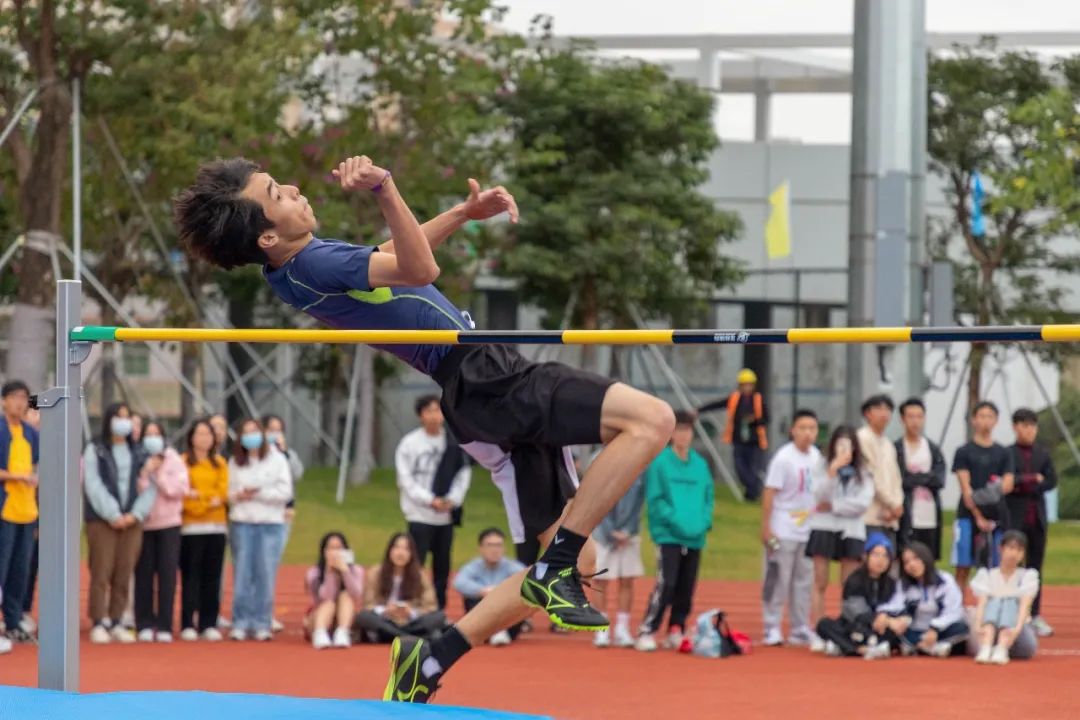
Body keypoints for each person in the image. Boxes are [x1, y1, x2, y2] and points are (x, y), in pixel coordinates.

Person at [175, 156, 675, 703]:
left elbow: (393, 256)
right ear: (268, 234)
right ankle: (554, 571)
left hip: (472, 392)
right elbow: (419, 271)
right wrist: (385, 187)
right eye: (277, 192)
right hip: (487, 377)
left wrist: (461, 213)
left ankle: (431, 657)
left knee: (575, 558)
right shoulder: (312, 264)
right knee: (652, 420)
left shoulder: (295, 269)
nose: (294, 188)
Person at [636, 411, 714, 653]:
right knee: (666, 583)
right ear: (670, 434)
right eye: (679, 430)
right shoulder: (660, 463)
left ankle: (676, 628)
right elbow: (656, 500)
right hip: (669, 535)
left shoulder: (700, 465)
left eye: (688, 430)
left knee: (686, 586)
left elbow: (708, 498)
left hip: (695, 536)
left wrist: (703, 522)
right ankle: (648, 629)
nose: (683, 435)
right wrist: (677, 521)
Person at [83, 403, 159, 644]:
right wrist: (113, 513)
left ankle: (116, 619)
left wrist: (135, 514)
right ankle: (98, 620)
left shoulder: (140, 452)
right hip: (103, 521)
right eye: (119, 417)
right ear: (109, 420)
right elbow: (93, 485)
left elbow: (151, 485)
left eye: (128, 418)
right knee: (101, 570)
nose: (124, 422)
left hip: (132, 520)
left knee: (124, 571)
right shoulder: (96, 449)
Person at [396, 395, 471, 611]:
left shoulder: (454, 443)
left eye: (438, 411)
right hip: (418, 516)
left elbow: (463, 473)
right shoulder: (409, 444)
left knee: (442, 568)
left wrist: (453, 500)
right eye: (429, 411)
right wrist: (430, 500)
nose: (434, 415)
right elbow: (405, 479)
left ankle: (439, 610)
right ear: (420, 415)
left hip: (445, 518)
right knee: (415, 566)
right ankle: (415, 607)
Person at [805, 426, 874, 640]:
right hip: (824, 526)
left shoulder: (863, 471)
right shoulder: (821, 465)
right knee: (820, 581)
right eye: (840, 444)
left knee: (849, 583)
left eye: (849, 444)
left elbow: (861, 504)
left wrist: (835, 505)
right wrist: (832, 471)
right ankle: (818, 629)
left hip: (851, 529)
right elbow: (818, 496)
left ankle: (848, 627)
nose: (844, 449)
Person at [761, 409, 821, 647]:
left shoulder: (817, 457)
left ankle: (800, 626)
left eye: (812, 428)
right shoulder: (783, 458)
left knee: (804, 580)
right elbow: (770, 492)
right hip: (783, 528)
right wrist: (766, 528)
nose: (808, 433)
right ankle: (771, 625)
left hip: (807, 529)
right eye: (803, 428)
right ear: (793, 430)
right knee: (777, 578)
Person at [227, 418, 291, 641]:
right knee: (243, 573)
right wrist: (239, 495)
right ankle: (241, 621)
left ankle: (262, 621)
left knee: (265, 573)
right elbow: (228, 492)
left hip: (269, 523)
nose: (250, 436)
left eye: (254, 431)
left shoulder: (277, 459)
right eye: (245, 432)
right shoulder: (235, 462)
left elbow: (285, 492)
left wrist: (259, 493)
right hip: (242, 522)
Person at [133, 421, 190, 642]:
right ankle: (144, 622)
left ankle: (165, 624)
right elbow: (136, 488)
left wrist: (160, 475)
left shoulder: (173, 459)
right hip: (145, 524)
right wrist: (146, 471)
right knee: (143, 575)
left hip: (169, 524)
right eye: (148, 433)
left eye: (157, 434)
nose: (152, 437)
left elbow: (180, 489)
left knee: (167, 575)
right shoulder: (138, 458)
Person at [951, 401, 1015, 594]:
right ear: (974, 420)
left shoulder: (1004, 453)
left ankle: (992, 613)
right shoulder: (963, 452)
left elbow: (1007, 485)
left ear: (996, 421)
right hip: (968, 516)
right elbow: (965, 489)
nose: (985, 421)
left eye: (990, 416)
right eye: (981, 416)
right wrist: (978, 515)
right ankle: (956, 609)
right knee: (963, 565)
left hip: (998, 516)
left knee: (997, 566)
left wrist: (982, 495)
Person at [1007, 409, 1056, 638]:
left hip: (1036, 518)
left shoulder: (1043, 454)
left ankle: (1034, 614)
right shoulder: (1007, 454)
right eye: (1025, 426)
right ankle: (1011, 612)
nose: (1029, 430)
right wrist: (1029, 480)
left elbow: (1050, 480)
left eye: (1033, 426)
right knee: (1012, 566)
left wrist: (1031, 485)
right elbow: (1008, 481)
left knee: (1035, 568)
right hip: (1014, 518)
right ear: (1015, 427)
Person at [179, 419, 230, 641]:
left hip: (216, 527)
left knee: (212, 576)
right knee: (191, 576)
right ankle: (188, 622)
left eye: (208, 434)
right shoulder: (182, 462)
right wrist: (204, 503)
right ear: (191, 437)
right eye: (199, 434)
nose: (204, 438)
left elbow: (223, 493)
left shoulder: (220, 463)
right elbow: (183, 493)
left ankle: (209, 622)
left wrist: (200, 498)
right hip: (190, 528)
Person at [815, 533, 904, 657]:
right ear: (866, 556)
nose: (881, 560)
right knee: (824, 625)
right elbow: (855, 612)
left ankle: (845, 646)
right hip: (855, 623)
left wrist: (890, 620)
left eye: (885, 556)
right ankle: (860, 648)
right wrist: (878, 619)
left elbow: (896, 607)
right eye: (876, 554)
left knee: (898, 630)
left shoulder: (892, 583)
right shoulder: (855, 580)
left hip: (881, 626)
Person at [0, 380, 39, 643]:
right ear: (3, 400)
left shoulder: (31, 433)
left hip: (27, 511)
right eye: (14, 396)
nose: (19, 402)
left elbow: (37, 467)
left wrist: (33, 478)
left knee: (20, 571)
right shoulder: (1, 430)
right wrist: (16, 476)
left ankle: (13, 622)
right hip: (4, 510)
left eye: (24, 397)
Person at [356, 533, 445, 643]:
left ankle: (395, 636)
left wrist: (411, 612)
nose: (400, 553)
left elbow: (431, 605)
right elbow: (368, 604)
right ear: (389, 550)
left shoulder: (420, 575)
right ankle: (411, 637)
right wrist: (385, 610)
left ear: (411, 554)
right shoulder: (375, 572)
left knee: (439, 616)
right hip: (386, 620)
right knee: (363, 616)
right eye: (397, 547)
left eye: (406, 549)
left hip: (411, 621)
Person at [592, 473, 645, 649]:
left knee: (627, 579)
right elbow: (595, 500)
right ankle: (601, 627)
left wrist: (628, 530)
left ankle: (622, 628)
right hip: (602, 533)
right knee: (601, 580)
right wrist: (609, 532)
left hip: (629, 534)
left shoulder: (639, 465)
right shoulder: (597, 460)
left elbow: (639, 501)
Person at [970, 530, 1040, 664]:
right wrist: (978, 627)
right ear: (1001, 549)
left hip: (1017, 636)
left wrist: (1015, 631)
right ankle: (987, 646)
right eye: (1011, 548)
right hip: (989, 631)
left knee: (1009, 602)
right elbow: (982, 604)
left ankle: (1002, 647)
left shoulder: (1027, 577)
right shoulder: (987, 575)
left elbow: (1024, 607)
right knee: (995, 601)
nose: (1014, 554)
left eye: (1019, 550)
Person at [700, 368, 768, 501]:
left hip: (754, 441)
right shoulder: (735, 398)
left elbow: (766, 419)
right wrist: (699, 410)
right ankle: (753, 490)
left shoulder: (758, 400)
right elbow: (717, 404)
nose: (747, 388)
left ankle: (752, 494)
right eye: (744, 385)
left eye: (749, 385)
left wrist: (754, 420)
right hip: (738, 440)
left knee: (752, 469)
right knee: (740, 469)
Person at [264, 413, 304, 633]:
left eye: (278, 429)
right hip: (260, 515)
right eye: (270, 429)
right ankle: (256, 612)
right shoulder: (256, 455)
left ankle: (266, 612)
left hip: (283, 515)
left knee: (272, 565)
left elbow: (297, 474)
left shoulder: (287, 454)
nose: (274, 434)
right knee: (259, 567)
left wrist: (285, 452)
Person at [893, 541, 968, 658]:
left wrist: (935, 628)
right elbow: (896, 606)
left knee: (962, 628)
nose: (912, 565)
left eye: (916, 559)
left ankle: (921, 647)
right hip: (915, 630)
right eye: (907, 562)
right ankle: (927, 647)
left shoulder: (945, 580)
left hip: (941, 630)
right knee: (893, 630)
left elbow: (954, 610)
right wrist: (900, 620)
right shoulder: (903, 585)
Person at [452, 528, 526, 646]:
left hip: (507, 616)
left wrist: (500, 593)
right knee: (474, 599)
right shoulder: (474, 566)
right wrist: (483, 591)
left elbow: (528, 582)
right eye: (490, 545)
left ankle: (492, 632)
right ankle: (495, 632)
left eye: (498, 545)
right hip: (481, 612)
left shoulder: (512, 566)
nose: (494, 550)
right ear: (481, 548)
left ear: (504, 548)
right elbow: (459, 582)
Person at [895, 398, 946, 559]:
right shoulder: (896, 448)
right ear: (902, 419)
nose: (915, 421)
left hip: (929, 514)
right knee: (905, 557)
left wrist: (914, 478)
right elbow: (899, 480)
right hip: (906, 513)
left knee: (927, 559)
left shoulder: (932, 448)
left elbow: (939, 479)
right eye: (911, 416)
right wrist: (924, 477)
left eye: (919, 416)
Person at [856, 395, 904, 547]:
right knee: (871, 560)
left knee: (888, 562)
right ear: (867, 414)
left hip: (890, 516)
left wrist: (897, 504)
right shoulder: (862, 438)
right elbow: (870, 476)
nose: (884, 414)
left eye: (887, 410)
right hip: (870, 514)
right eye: (878, 409)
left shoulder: (888, 443)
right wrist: (891, 503)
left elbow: (896, 478)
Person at [305, 531, 365, 650]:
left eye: (339, 548)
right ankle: (320, 634)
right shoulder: (314, 573)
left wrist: (345, 571)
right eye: (331, 548)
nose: (335, 553)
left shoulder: (356, 570)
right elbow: (325, 597)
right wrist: (329, 573)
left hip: (345, 617)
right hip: (321, 616)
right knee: (330, 603)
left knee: (345, 596)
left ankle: (342, 632)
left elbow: (356, 594)